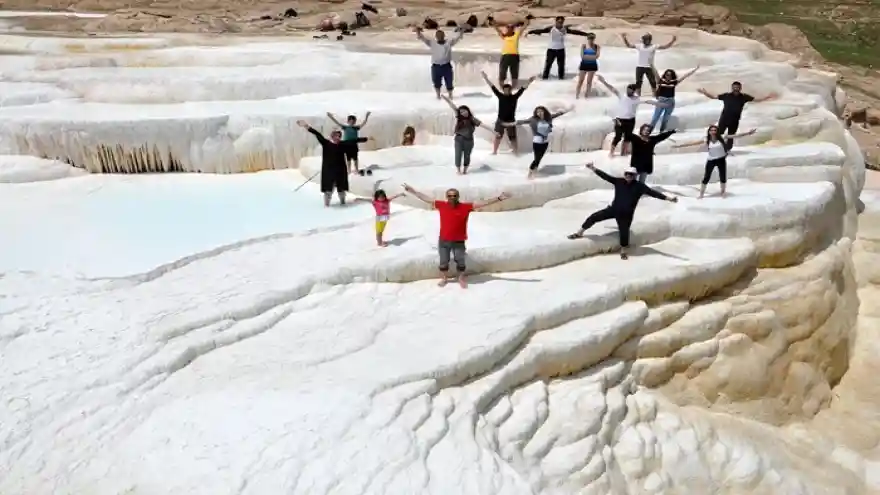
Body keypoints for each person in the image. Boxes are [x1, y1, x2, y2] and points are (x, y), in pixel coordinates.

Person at [401, 183, 512, 287]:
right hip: (444, 241)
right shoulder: (442, 205)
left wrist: (498, 198)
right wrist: (413, 192)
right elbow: (426, 199)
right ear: (447, 197)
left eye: (454, 195)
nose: (452, 197)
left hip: (459, 241)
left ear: (458, 196)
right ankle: (444, 278)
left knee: (460, 261)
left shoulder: (465, 207)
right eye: (450, 195)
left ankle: (460, 277)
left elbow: (483, 203)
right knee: (444, 261)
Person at [567, 163, 678, 260]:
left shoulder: (640, 187)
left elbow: (654, 193)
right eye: (626, 174)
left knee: (624, 232)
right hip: (613, 209)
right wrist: (593, 168)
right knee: (594, 217)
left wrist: (669, 198)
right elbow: (605, 177)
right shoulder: (618, 181)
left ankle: (623, 250)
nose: (628, 176)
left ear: (635, 176)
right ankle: (579, 233)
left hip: (626, 215)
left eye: (631, 175)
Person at [672, 125, 756, 198]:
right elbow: (692, 143)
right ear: (709, 132)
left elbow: (736, 136)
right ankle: (701, 194)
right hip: (711, 160)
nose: (713, 132)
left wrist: (748, 133)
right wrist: (679, 146)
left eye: (715, 130)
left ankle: (723, 193)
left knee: (722, 177)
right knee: (706, 177)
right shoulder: (706, 139)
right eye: (711, 130)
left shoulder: (722, 137)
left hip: (721, 159)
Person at [297, 119, 368, 206]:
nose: (338, 138)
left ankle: (343, 203)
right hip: (328, 170)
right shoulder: (326, 144)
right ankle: (326, 205)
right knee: (328, 190)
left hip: (340, 170)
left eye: (339, 136)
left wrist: (367, 139)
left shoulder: (342, 144)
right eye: (336, 136)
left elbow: (354, 140)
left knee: (341, 189)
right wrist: (306, 126)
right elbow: (317, 134)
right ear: (332, 137)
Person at [596, 74, 668, 157]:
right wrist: (603, 81)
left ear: (633, 91)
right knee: (618, 137)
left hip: (630, 120)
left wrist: (660, 104)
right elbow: (612, 89)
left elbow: (648, 101)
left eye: (630, 91)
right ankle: (611, 153)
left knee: (627, 137)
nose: (628, 92)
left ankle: (624, 153)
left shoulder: (636, 99)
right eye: (627, 90)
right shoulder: (622, 96)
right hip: (620, 120)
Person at [697, 82, 777, 150]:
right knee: (719, 133)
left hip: (735, 120)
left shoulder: (744, 97)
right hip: (724, 119)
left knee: (731, 135)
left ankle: (727, 149)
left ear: (740, 88)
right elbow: (714, 97)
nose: (736, 89)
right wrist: (705, 93)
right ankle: (713, 147)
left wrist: (768, 97)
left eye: (737, 87)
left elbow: (757, 100)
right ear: (732, 88)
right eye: (734, 87)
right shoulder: (726, 96)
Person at [501, 105, 573, 179]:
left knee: (540, 158)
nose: (539, 113)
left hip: (545, 142)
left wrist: (568, 110)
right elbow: (522, 122)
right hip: (537, 141)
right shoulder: (533, 119)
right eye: (538, 112)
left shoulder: (548, 118)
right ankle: (530, 172)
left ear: (544, 111)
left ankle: (534, 172)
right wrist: (509, 124)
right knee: (537, 158)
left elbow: (558, 114)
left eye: (541, 111)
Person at [480, 70, 536, 156]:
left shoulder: (514, 97)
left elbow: (522, 89)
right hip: (500, 120)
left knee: (513, 138)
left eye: (508, 90)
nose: (506, 91)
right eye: (505, 90)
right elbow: (492, 87)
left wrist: (529, 81)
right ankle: (494, 151)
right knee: (498, 136)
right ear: (503, 90)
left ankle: (516, 151)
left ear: (510, 90)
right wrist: (485, 78)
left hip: (511, 121)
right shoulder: (500, 96)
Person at [439, 95, 496, 175]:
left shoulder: (472, 119)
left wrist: (493, 131)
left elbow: (483, 125)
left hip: (469, 140)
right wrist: (446, 99)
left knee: (467, 156)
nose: (463, 113)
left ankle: (465, 170)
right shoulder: (459, 118)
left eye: (465, 111)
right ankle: (458, 170)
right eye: (461, 112)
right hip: (459, 139)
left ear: (468, 111)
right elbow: (453, 106)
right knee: (458, 155)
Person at [527, 16, 590, 80]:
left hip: (561, 50)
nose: (560, 24)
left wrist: (586, 34)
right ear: (556, 21)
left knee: (561, 66)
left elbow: (575, 32)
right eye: (559, 22)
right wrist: (531, 31)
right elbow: (542, 30)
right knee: (548, 65)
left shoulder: (564, 29)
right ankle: (544, 79)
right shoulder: (551, 28)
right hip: (551, 50)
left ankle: (561, 79)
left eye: (562, 22)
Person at [414, 26, 465, 99]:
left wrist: (462, 31)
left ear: (444, 36)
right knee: (436, 83)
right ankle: (438, 96)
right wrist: (418, 31)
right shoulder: (432, 43)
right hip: (436, 66)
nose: (440, 37)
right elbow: (422, 38)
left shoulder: (448, 43)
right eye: (438, 36)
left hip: (446, 66)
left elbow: (458, 38)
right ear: (436, 37)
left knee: (449, 82)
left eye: (441, 35)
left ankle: (451, 96)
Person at [648, 66, 698, 131]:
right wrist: (651, 64)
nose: (668, 76)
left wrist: (695, 69)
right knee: (655, 117)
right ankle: (648, 132)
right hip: (661, 101)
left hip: (670, 101)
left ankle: (661, 132)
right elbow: (655, 72)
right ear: (665, 75)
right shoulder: (660, 81)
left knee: (666, 119)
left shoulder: (674, 82)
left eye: (670, 75)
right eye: (667, 74)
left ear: (672, 76)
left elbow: (685, 76)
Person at [493, 18, 530, 86]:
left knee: (514, 73)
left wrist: (526, 21)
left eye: (511, 27)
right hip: (505, 56)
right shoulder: (504, 36)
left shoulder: (516, 35)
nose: (509, 28)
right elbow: (498, 30)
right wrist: (494, 23)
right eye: (508, 27)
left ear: (513, 29)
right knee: (502, 72)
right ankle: (501, 87)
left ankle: (514, 87)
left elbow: (523, 28)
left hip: (514, 56)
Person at [575, 33, 600, 99]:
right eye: (589, 38)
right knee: (580, 81)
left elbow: (597, 56)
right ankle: (577, 96)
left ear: (594, 39)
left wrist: (588, 57)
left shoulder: (597, 46)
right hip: (584, 65)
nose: (591, 40)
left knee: (589, 82)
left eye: (592, 38)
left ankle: (587, 96)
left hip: (592, 65)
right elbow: (582, 56)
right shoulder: (584, 46)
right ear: (587, 39)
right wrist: (592, 57)